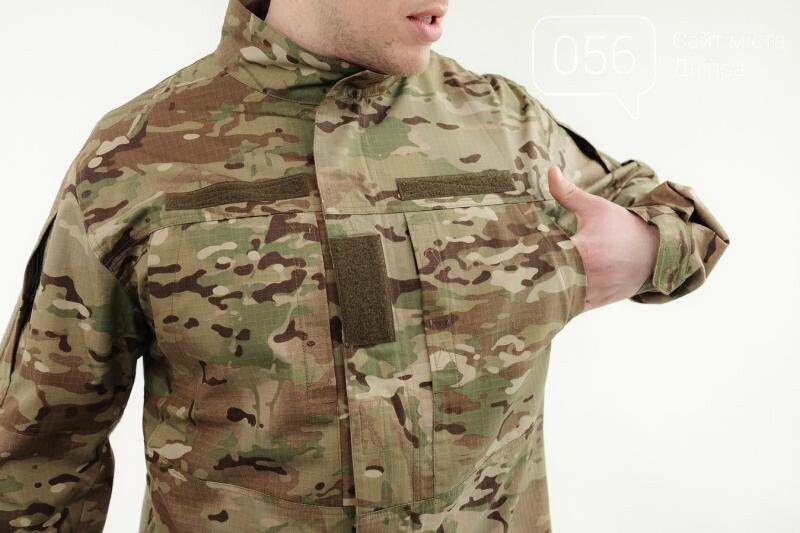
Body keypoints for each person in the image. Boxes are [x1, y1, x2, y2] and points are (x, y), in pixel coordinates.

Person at [0, 0, 730, 531]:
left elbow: (681, 222)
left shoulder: (504, 125)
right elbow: (39, 450)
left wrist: (645, 248)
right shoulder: (135, 158)